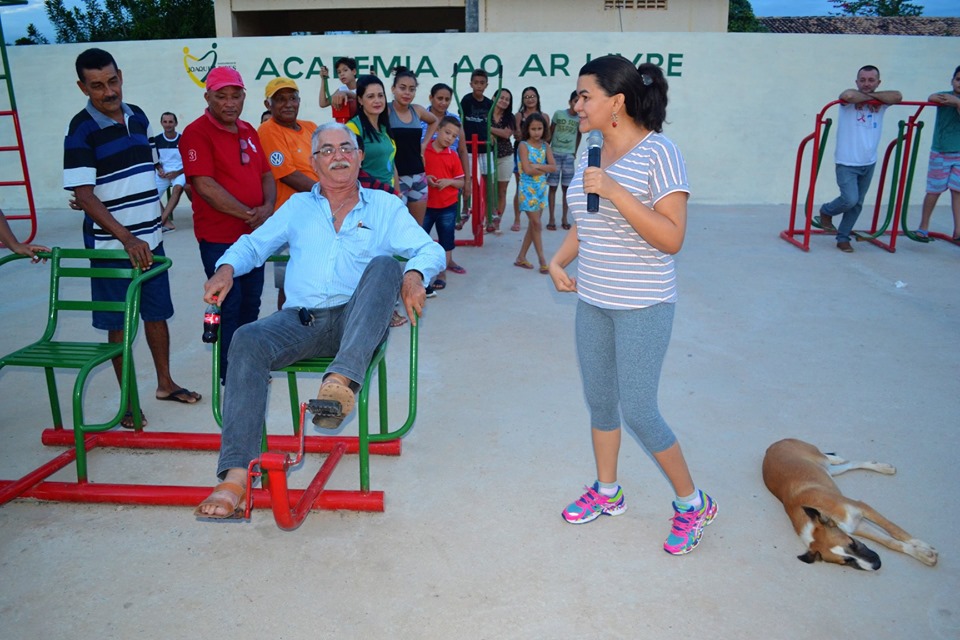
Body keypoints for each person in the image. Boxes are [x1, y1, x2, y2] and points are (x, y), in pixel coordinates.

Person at [193, 123, 446, 519]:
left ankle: (340, 381)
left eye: (346, 147)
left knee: (385, 266)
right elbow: (254, 244)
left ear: (360, 156)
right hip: (302, 321)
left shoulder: (384, 206)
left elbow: (429, 249)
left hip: (356, 323)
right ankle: (236, 476)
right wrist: (226, 268)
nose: (338, 156)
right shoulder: (297, 207)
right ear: (313, 162)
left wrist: (414, 275)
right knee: (246, 338)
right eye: (326, 150)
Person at [547, 56, 717, 556]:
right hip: (594, 298)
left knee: (640, 409)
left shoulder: (660, 152)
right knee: (600, 400)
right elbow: (587, 219)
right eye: (575, 96)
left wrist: (617, 189)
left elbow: (672, 237)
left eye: (585, 96)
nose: (575, 105)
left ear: (616, 102)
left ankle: (693, 503)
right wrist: (559, 260)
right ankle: (607, 492)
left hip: (643, 302)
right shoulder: (590, 148)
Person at [63, 48, 201, 428]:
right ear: (82, 87)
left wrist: (151, 226)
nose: (108, 91)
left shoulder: (138, 117)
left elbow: (140, 171)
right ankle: (126, 402)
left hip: (151, 239)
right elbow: (85, 194)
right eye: (96, 86)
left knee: (157, 315)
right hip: (114, 247)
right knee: (119, 322)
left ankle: (165, 383)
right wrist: (125, 237)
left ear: (120, 75)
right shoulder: (80, 130)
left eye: (112, 81)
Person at [180, 66, 276, 382]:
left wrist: (267, 207)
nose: (230, 103)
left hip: (253, 237)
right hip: (219, 238)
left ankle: (246, 363)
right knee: (229, 303)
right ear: (208, 96)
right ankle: (229, 372)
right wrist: (248, 213)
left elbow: (265, 174)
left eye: (236, 96)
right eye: (222, 96)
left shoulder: (248, 130)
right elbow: (204, 186)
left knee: (251, 302)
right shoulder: (196, 133)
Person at [815, 65, 902, 253]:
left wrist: (873, 97)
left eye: (871, 80)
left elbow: (897, 96)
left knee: (857, 203)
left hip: (868, 161)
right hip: (847, 161)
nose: (866, 84)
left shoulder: (883, 102)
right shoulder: (849, 101)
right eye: (862, 80)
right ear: (857, 82)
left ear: (878, 82)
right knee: (849, 199)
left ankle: (843, 238)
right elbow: (848, 96)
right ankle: (826, 211)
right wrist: (873, 97)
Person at [257, 77, 319, 310]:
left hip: (318, 215)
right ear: (268, 105)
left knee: (315, 277)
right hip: (289, 220)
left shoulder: (311, 127)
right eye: (280, 99)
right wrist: (330, 191)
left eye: (292, 98)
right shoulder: (267, 130)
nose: (288, 104)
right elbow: (287, 174)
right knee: (290, 284)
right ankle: (285, 332)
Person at [389, 67, 438, 224]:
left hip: (418, 177)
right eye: (402, 88)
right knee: (397, 228)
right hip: (396, 178)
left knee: (417, 229)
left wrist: (424, 144)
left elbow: (434, 121)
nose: (407, 93)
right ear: (393, 89)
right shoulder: (385, 111)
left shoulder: (417, 110)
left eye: (412, 89)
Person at [917, 65, 960, 242]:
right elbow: (932, 97)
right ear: (952, 80)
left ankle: (958, 230)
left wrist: (957, 103)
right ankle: (923, 225)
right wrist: (950, 99)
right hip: (941, 151)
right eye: (958, 79)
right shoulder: (945, 95)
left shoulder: (953, 101)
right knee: (934, 190)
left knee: (958, 192)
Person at [423, 115, 467, 290]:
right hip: (426, 205)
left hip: (447, 206)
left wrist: (449, 182)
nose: (449, 138)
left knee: (446, 241)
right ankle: (422, 273)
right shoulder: (424, 151)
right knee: (421, 239)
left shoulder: (453, 155)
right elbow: (418, 174)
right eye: (447, 132)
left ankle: (442, 273)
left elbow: (461, 182)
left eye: (454, 136)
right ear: (438, 130)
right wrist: (427, 178)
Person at [422, 82, 471, 229]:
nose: (443, 103)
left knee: (446, 229)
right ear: (431, 98)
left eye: (447, 99)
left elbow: (462, 150)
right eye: (439, 98)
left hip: (449, 173)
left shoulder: (455, 120)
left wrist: (467, 181)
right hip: (425, 175)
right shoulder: (421, 117)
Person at [514, 113, 556, 273]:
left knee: (534, 225)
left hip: (540, 189)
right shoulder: (523, 145)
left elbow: (553, 167)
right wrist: (543, 166)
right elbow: (526, 169)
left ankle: (521, 257)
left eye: (539, 128)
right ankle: (542, 260)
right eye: (533, 129)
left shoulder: (546, 146)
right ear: (527, 129)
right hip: (527, 190)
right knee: (537, 224)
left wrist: (537, 166)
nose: (537, 132)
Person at [346, 74, 398, 189]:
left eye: (380, 95)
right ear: (360, 100)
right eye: (370, 96)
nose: (377, 101)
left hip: (389, 193)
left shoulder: (384, 126)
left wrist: (396, 193)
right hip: (367, 195)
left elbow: (390, 162)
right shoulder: (353, 128)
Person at [511, 86, 550, 232]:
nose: (530, 99)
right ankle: (517, 218)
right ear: (522, 100)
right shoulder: (519, 116)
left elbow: (547, 136)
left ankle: (535, 217)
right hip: (521, 152)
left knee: (539, 184)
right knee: (521, 186)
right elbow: (517, 135)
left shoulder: (544, 116)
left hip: (539, 153)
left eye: (532, 96)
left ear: (538, 97)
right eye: (526, 97)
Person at [547, 90, 581, 231]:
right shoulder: (558, 114)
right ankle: (551, 218)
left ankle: (565, 218)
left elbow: (579, 135)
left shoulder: (580, 119)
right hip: (555, 153)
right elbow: (551, 132)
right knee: (553, 187)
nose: (577, 104)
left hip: (568, 156)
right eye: (575, 101)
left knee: (566, 189)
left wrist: (574, 152)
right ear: (570, 102)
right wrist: (547, 151)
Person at [151, 112, 190, 232]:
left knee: (177, 189)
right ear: (161, 123)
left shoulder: (184, 139)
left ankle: (161, 221)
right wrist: (160, 169)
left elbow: (189, 163)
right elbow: (155, 160)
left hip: (180, 172)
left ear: (176, 123)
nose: (168, 125)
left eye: (170, 122)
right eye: (165, 122)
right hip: (163, 174)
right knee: (151, 193)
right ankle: (168, 224)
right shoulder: (157, 140)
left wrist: (177, 173)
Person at [487, 88, 515, 234]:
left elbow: (506, 134)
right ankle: (488, 220)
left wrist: (488, 129)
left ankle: (497, 221)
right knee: (489, 190)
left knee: (502, 191)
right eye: (501, 97)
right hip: (488, 155)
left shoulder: (509, 117)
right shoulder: (486, 112)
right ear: (493, 97)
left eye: (507, 99)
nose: (504, 101)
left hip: (505, 156)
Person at [459, 69, 493, 175]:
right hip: (468, 143)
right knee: (468, 174)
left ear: (486, 85)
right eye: (476, 83)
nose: (479, 86)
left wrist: (491, 134)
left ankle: (489, 192)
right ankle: (468, 191)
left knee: (488, 174)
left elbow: (491, 121)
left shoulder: (489, 103)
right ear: (471, 84)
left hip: (484, 143)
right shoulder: (466, 100)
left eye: (482, 83)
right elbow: (461, 117)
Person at [319, 57, 359, 124]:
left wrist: (346, 93)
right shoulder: (341, 89)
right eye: (339, 72)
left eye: (345, 70)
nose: (342, 74)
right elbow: (323, 103)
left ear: (354, 71)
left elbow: (361, 98)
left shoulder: (363, 86)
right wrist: (323, 79)